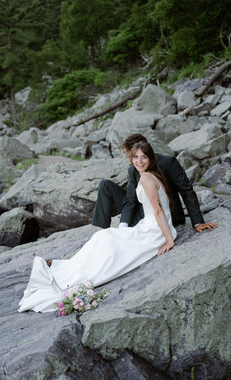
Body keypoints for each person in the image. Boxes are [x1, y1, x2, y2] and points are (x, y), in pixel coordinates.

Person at [18, 141, 177, 313]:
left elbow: (159, 209)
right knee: (102, 238)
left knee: (106, 242)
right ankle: (62, 267)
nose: (139, 161)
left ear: (150, 158)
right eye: (136, 157)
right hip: (149, 225)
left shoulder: (146, 178)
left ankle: (64, 276)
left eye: (143, 157)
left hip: (154, 231)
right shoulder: (151, 174)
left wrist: (169, 240)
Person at [92, 133, 218, 233]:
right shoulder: (132, 169)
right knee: (105, 185)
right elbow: (130, 200)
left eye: (132, 155)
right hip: (141, 213)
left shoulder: (168, 162)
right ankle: (103, 233)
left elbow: (186, 190)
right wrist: (122, 227)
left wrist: (198, 221)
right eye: (132, 157)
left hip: (166, 215)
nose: (134, 161)